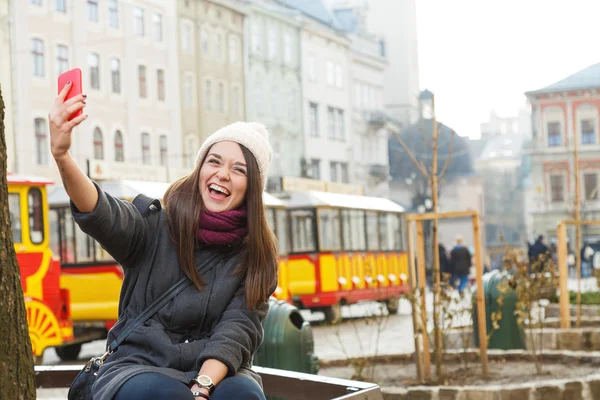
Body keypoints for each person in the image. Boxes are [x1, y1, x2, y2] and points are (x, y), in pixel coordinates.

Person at [48, 82, 278, 400]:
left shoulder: (255, 257)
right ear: (199, 170)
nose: (222, 174)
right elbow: (103, 212)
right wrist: (62, 155)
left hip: (217, 371)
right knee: (166, 396)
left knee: (242, 396)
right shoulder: (155, 225)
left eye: (238, 169)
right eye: (214, 161)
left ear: (251, 187)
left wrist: (203, 387)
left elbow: (236, 332)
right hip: (139, 367)